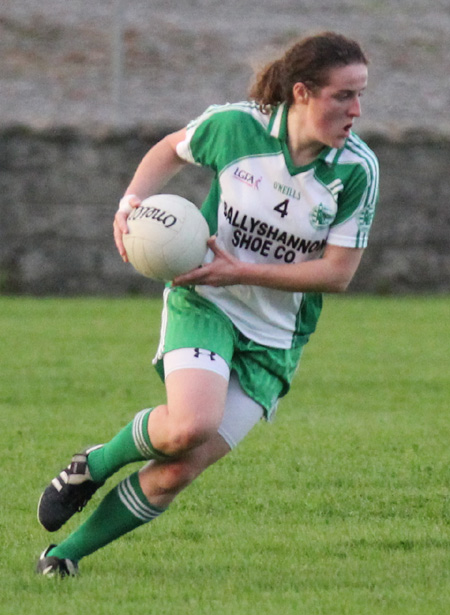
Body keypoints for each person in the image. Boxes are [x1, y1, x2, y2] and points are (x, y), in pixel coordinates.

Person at [36, 31, 379, 577]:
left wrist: (239, 269)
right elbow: (169, 149)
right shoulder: (237, 127)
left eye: (362, 95)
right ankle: (97, 463)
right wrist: (130, 203)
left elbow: (336, 274)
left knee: (177, 469)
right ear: (302, 93)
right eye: (344, 95)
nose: (357, 111)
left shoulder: (356, 171)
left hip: (275, 339)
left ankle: (62, 557)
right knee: (188, 426)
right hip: (206, 301)